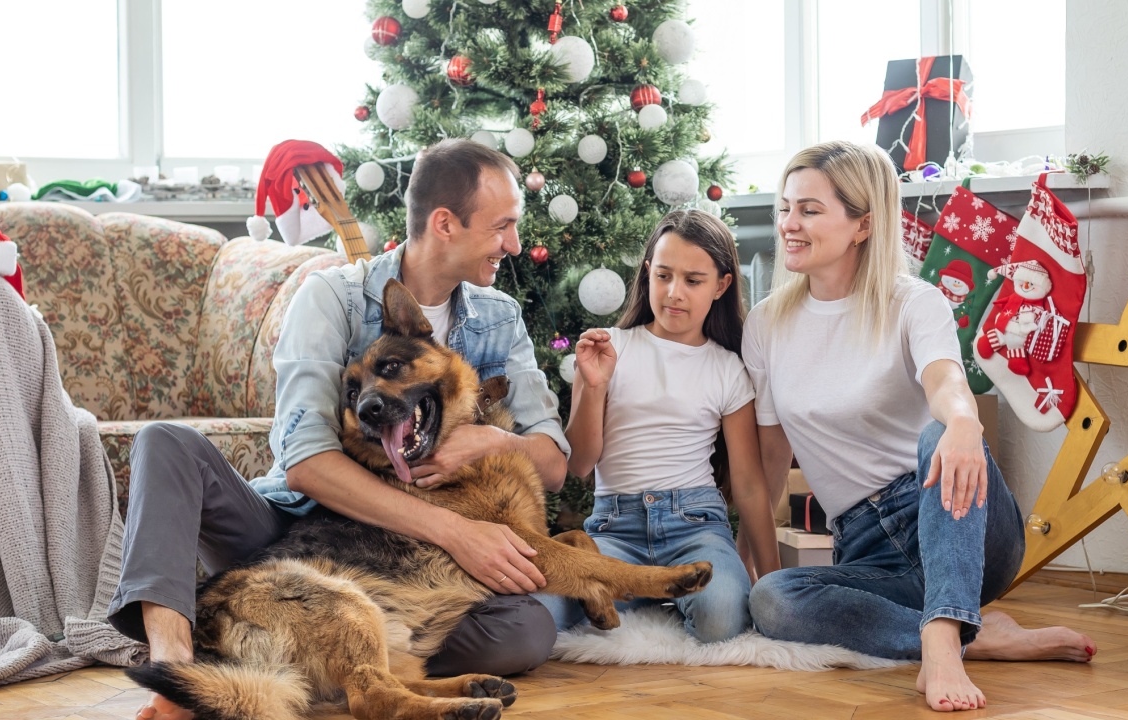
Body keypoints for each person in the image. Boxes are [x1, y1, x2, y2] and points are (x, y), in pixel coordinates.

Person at [110, 139, 571, 720]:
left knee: (527, 632)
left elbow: (553, 467)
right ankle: (176, 668)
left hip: (402, 570)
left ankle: (341, 662)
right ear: (445, 223)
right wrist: (456, 531)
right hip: (289, 530)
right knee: (165, 442)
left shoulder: (500, 318)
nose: (515, 243)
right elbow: (304, 461)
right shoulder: (331, 297)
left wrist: (501, 440)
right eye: (503, 225)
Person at [743, 141, 1095, 712]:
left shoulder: (915, 301)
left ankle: (940, 639)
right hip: (866, 547)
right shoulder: (766, 324)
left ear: (863, 224)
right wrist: (751, 567)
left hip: (956, 512)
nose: (789, 224)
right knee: (775, 601)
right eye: (785, 208)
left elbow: (946, 384)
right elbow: (766, 464)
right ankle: (968, 636)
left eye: (809, 210)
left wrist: (962, 421)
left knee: (942, 434)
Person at [537, 209, 780, 643]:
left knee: (722, 619)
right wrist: (593, 387)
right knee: (544, 611)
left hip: (696, 526)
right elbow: (580, 463)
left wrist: (771, 580)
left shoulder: (728, 369)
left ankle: (653, 593)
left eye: (693, 280)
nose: (674, 293)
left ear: (721, 285)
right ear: (647, 272)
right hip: (614, 529)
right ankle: (644, 589)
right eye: (664, 275)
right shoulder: (611, 348)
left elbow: (748, 485)